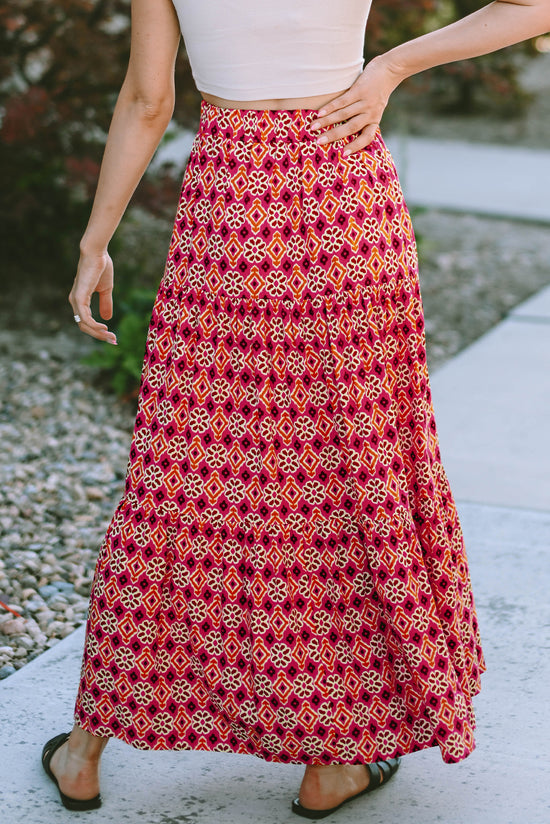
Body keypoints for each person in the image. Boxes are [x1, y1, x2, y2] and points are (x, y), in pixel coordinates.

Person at [41, 0, 550, 818]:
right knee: (346, 477)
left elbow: (148, 100)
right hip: (347, 197)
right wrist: (390, 68)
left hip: (230, 215)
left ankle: (86, 751)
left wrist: (94, 241)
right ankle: (329, 763)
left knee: (183, 471)